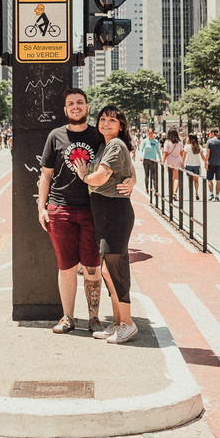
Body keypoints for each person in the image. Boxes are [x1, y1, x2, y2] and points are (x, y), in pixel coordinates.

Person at [37, 89, 134, 334]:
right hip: (60, 208)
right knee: (66, 266)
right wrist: (41, 208)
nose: (75, 106)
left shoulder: (98, 134)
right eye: (71, 103)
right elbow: (45, 175)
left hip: (93, 210)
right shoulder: (55, 136)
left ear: (87, 107)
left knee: (93, 267)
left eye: (80, 102)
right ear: (65, 109)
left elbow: (123, 161)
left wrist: (133, 180)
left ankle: (94, 318)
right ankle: (67, 317)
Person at [74, 105, 139, 345]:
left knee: (115, 270)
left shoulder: (115, 145)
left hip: (115, 212)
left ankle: (128, 324)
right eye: (102, 119)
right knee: (107, 270)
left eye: (112, 120)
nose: (105, 123)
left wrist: (84, 176)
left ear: (121, 125)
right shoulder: (106, 145)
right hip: (104, 212)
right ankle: (119, 323)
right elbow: (129, 169)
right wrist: (133, 179)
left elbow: (100, 177)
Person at [203, 129, 220, 202]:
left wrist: (205, 162)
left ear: (213, 133)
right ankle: (217, 196)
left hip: (211, 163)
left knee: (209, 179)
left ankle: (211, 194)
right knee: (218, 180)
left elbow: (207, 153)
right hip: (219, 163)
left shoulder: (209, 142)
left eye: (210, 133)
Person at [162, 129, 184, 201]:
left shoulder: (167, 142)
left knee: (171, 177)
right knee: (176, 178)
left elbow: (165, 154)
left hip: (170, 160)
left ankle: (171, 192)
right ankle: (175, 192)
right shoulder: (180, 142)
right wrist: (183, 163)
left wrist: (162, 162)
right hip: (178, 160)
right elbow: (182, 153)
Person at [183, 134, 202, 201]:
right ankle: (196, 192)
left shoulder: (187, 147)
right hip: (197, 165)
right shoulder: (199, 146)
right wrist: (206, 162)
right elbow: (202, 156)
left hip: (189, 165)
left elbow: (184, 156)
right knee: (196, 180)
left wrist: (182, 164)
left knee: (190, 180)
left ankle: (191, 193)